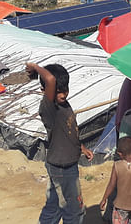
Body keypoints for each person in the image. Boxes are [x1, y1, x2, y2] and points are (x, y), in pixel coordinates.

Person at [25, 62, 94, 224]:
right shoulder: (49, 108)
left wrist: (81, 147)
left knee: (54, 205)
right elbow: (49, 79)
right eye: (58, 90)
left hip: (62, 165)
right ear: (45, 90)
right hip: (63, 168)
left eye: (66, 89)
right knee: (74, 209)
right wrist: (35, 68)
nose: (64, 94)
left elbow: (67, 131)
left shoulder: (64, 105)